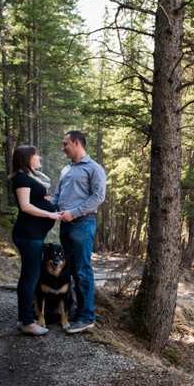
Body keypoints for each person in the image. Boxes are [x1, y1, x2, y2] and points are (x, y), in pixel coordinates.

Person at [52, 131, 106, 334]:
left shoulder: (94, 168)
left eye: (65, 144)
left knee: (83, 271)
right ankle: (75, 311)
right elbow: (58, 195)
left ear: (76, 143)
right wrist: (51, 208)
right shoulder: (66, 169)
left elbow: (98, 196)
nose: (62, 147)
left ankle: (87, 317)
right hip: (65, 226)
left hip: (82, 225)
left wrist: (73, 213)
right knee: (71, 270)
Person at [9, 145, 62, 336]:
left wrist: (45, 201)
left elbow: (34, 199)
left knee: (27, 277)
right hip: (28, 235)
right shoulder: (22, 179)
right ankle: (28, 323)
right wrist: (51, 215)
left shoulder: (29, 178)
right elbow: (25, 206)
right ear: (27, 159)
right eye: (36, 155)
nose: (39, 157)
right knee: (31, 278)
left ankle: (23, 318)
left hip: (32, 235)